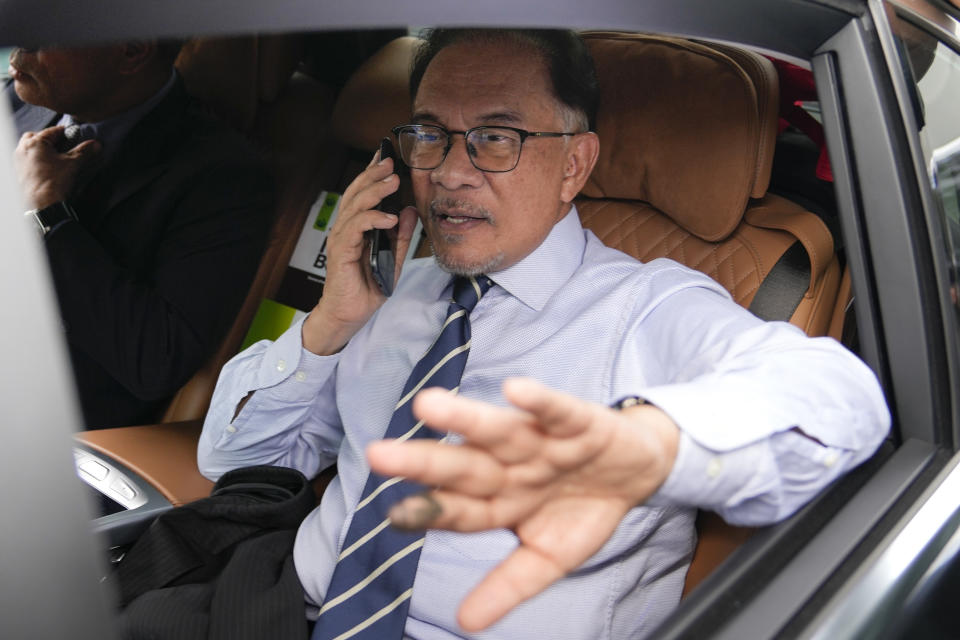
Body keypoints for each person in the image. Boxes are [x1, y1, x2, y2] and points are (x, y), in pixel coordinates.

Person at [198, 28, 890, 639]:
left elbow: (839, 399)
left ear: (574, 165)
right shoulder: (395, 291)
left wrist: (650, 445)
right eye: (430, 133)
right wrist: (330, 325)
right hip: (284, 610)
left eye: (496, 137)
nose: (449, 172)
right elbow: (234, 467)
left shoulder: (646, 306)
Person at [8, 40, 275, 428]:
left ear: (132, 51)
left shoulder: (223, 177)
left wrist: (46, 215)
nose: (21, 42)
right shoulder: (15, 103)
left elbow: (155, 360)